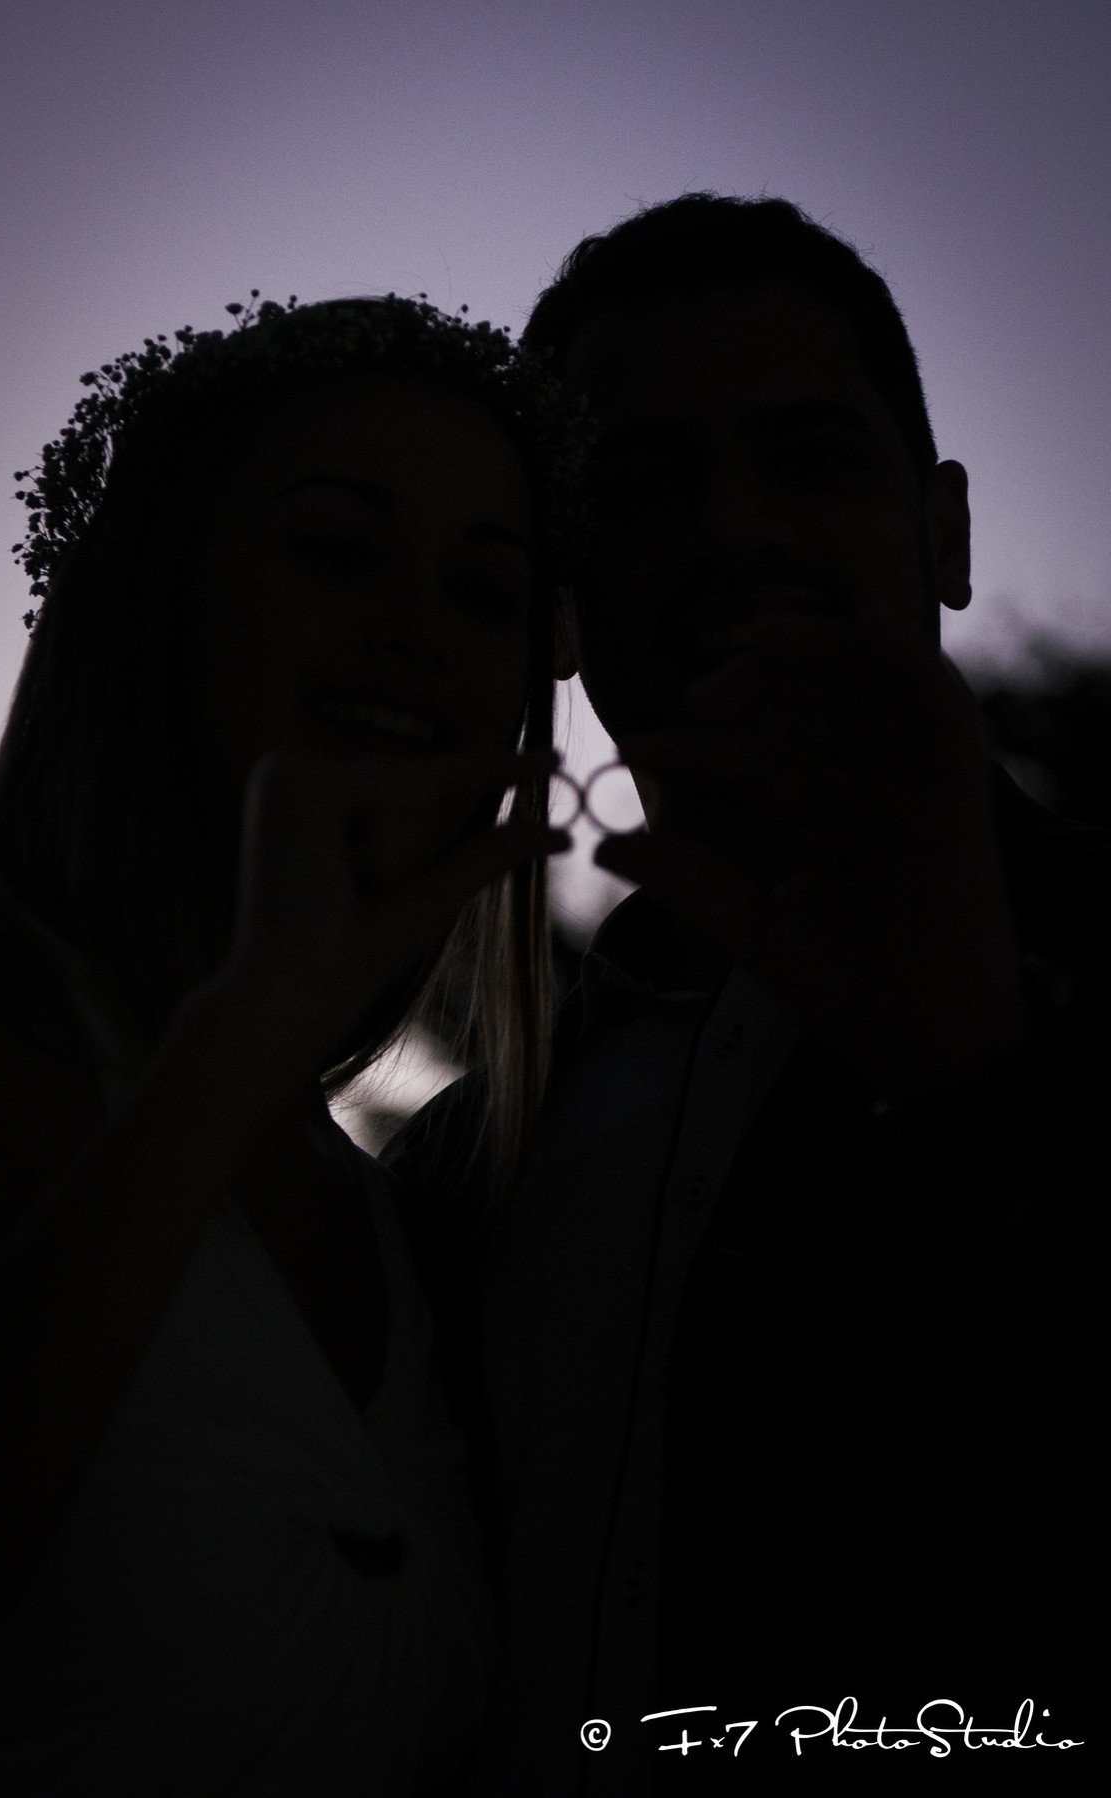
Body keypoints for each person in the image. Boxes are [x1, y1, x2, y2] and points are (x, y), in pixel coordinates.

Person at [384, 198, 1102, 1792]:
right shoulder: (456, 1167)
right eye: (643, 490)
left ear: (946, 533)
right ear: (563, 600)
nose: (733, 531)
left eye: (811, 459)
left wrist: (989, 1103)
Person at [0, 291, 584, 1794]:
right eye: (337, 549)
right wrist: (243, 1032)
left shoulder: (405, 1215)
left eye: (486, 592)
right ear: (154, 597)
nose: (419, 630)